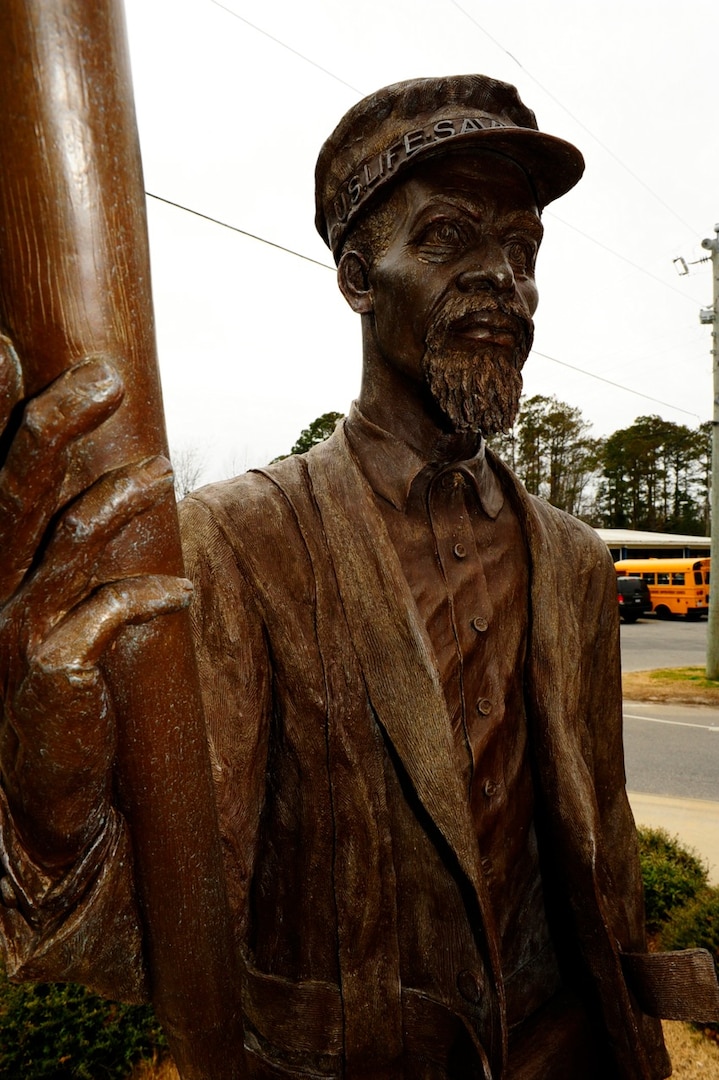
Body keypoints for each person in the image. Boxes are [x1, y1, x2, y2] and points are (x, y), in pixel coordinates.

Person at [0, 74, 717, 1079]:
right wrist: (50, 801)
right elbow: (151, 930)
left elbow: (598, 857)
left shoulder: (571, 560)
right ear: (354, 275)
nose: (500, 279)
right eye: (446, 239)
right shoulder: (236, 542)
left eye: (519, 249)